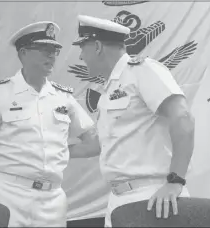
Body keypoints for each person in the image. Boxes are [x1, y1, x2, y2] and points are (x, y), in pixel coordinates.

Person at [0, 21, 99, 227]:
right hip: (8, 194)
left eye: (55, 50)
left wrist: (56, 151)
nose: (52, 56)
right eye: (44, 49)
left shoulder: (63, 97)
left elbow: (93, 143)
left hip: (52, 200)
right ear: (23, 53)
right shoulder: (0, 93)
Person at [71, 15, 195, 227]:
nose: (81, 56)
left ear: (98, 46)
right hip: (118, 200)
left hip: (153, 196)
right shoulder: (109, 89)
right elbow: (101, 144)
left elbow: (182, 117)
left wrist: (176, 181)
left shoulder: (143, 71)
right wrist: (51, 151)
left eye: (83, 48)